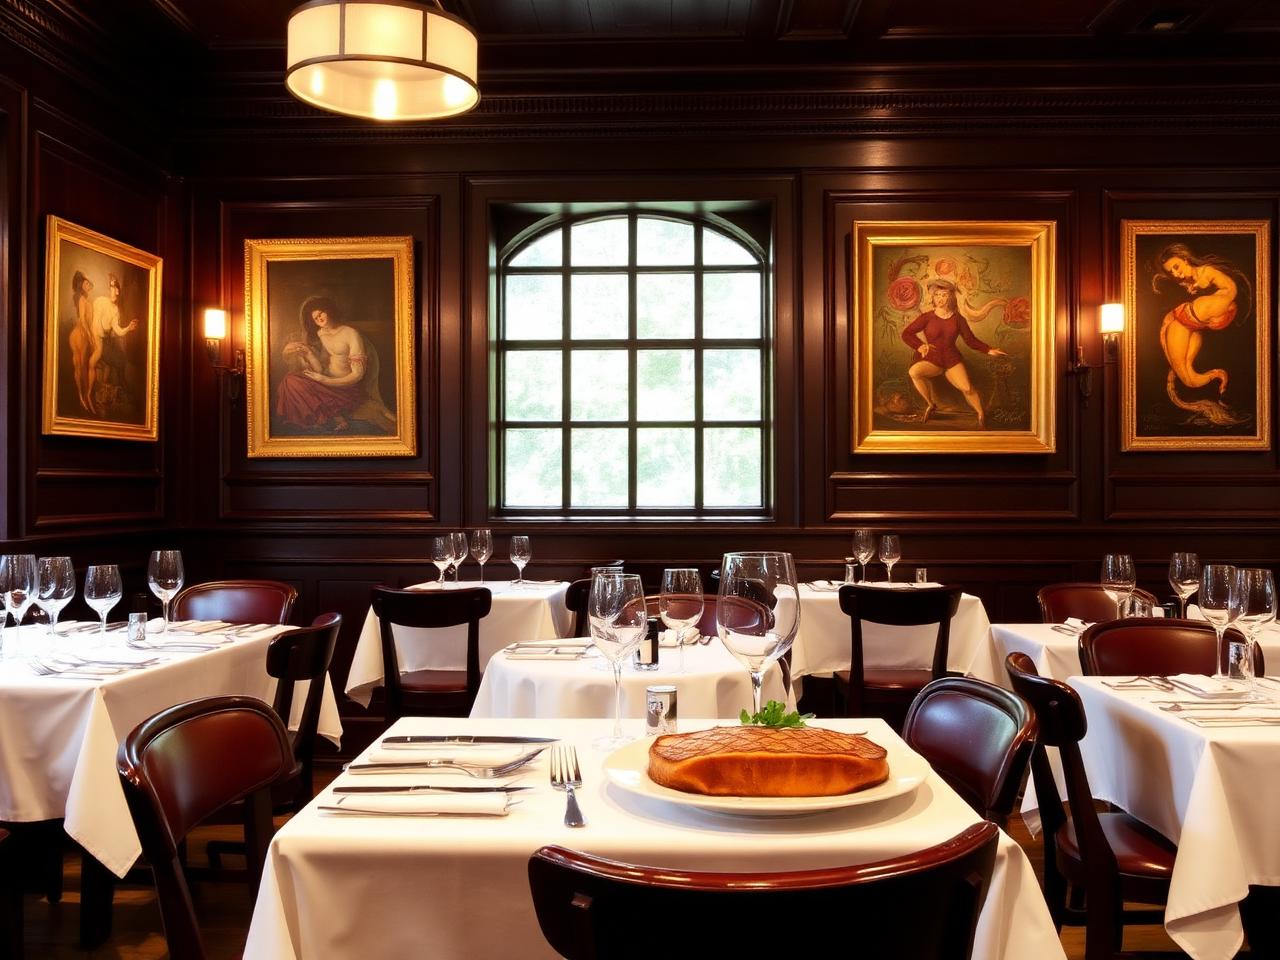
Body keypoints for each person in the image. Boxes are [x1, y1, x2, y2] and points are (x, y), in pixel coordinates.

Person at [276, 296, 396, 433]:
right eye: (315, 318)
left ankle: (334, 417)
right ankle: (333, 417)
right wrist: (309, 353)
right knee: (290, 380)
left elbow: (358, 374)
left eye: (321, 313)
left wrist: (325, 380)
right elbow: (320, 368)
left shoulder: (351, 334)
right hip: (326, 380)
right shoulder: (321, 333)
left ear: (329, 310)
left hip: (345, 386)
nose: (319, 319)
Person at [900, 278, 1007, 428]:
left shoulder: (958, 319)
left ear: (950, 297)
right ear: (933, 297)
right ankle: (931, 404)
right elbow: (906, 334)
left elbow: (970, 340)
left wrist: (989, 349)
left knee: (967, 388)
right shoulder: (927, 317)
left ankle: (981, 414)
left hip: (951, 360)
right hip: (932, 359)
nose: (940, 299)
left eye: (944, 295)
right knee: (914, 372)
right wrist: (919, 346)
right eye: (937, 295)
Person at [86, 274, 138, 416]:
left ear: (117, 291)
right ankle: (90, 393)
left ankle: (112, 392)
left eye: (114, 286)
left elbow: (118, 331)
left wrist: (128, 328)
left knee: (120, 360)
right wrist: (90, 334)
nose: (111, 288)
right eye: (110, 286)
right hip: (95, 340)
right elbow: (91, 318)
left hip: (103, 341)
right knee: (103, 358)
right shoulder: (100, 301)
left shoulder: (115, 311)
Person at [68, 270, 95, 413]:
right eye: (85, 283)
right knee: (81, 366)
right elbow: (83, 320)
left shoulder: (85, 300)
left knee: (81, 366)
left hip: (78, 333)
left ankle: (84, 396)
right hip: (80, 334)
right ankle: (83, 397)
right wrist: (90, 336)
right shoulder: (82, 300)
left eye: (88, 283)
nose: (88, 285)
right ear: (81, 285)